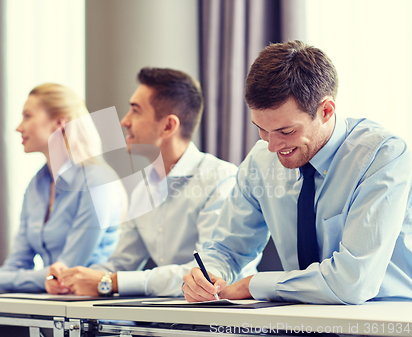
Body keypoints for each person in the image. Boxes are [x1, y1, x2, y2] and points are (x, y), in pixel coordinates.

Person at [182, 40, 412, 305]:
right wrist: (208, 275)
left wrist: (256, 284)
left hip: (386, 321)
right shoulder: (261, 162)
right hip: (300, 320)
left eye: (286, 131)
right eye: (261, 129)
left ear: (326, 111)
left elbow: (353, 281)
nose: (271, 146)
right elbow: (228, 249)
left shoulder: (383, 156)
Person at [45, 68, 258, 297]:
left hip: (219, 321)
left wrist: (111, 281)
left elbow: (205, 276)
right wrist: (72, 278)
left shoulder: (220, 179)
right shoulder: (144, 189)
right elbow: (121, 263)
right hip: (164, 320)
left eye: (135, 111)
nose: (124, 120)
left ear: (168, 126)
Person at [0, 83, 126, 293]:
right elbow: (17, 263)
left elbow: (65, 272)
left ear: (59, 122)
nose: (18, 127)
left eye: (27, 116)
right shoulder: (36, 185)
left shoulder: (97, 183)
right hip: (49, 310)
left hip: (93, 316)